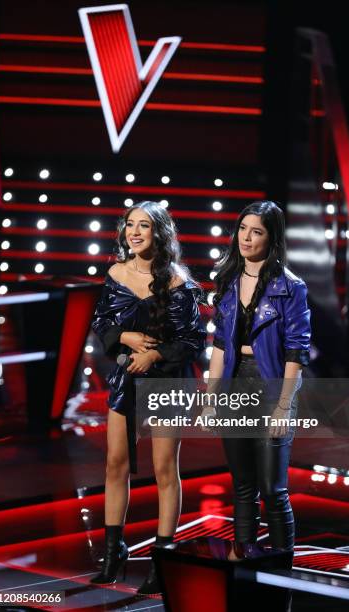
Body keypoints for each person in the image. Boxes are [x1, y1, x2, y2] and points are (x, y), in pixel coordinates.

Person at [91, 201, 206, 592]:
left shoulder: (179, 283)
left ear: (160, 233)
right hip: (127, 377)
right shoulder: (116, 274)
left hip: (167, 381)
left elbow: (192, 340)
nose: (135, 232)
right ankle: (114, 551)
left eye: (144, 226)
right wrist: (125, 338)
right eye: (130, 226)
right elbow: (102, 321)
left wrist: (154, 354)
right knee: (115, 464)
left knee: (162, 469)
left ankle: (162, 557)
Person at [205, 201, 311, 560]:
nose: (246, 238)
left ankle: (283, 564)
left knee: (272, 488)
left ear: (272, 238)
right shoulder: (229, 281)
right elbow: (220, 344)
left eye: (257, 231)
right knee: (243, 486)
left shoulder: (291, 287)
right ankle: (242, 557)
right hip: (235, 385)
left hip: (272, 387)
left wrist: (284, 405)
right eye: (243, 229)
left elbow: (297, 352)